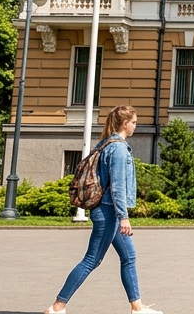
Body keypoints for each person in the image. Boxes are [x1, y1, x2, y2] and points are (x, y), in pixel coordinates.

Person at [46, 105, 161, 314]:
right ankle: (57, 307)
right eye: (134, 122)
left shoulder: (107, 144)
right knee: (91, 260)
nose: (136, 125)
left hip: (109, 212)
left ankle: (137, 307)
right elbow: (117, 186)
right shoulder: (117, 148)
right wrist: (123, 217)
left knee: (129, 257)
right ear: (125, 123)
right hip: (108, 212)